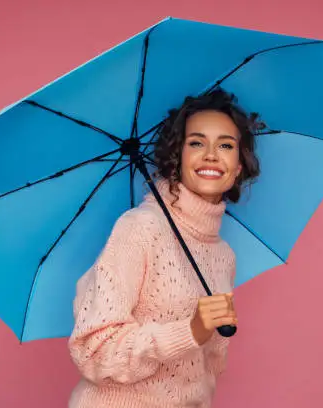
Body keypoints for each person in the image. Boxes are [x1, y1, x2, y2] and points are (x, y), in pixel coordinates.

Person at [68, 88, 263, 407]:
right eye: (196, 142)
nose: (211, 155)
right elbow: (94, 352)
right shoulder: (140, 228)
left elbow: (205, 372)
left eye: (225, 145)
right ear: (178, 155)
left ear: (239, 164)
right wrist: (189, 331)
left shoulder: (223, 255)